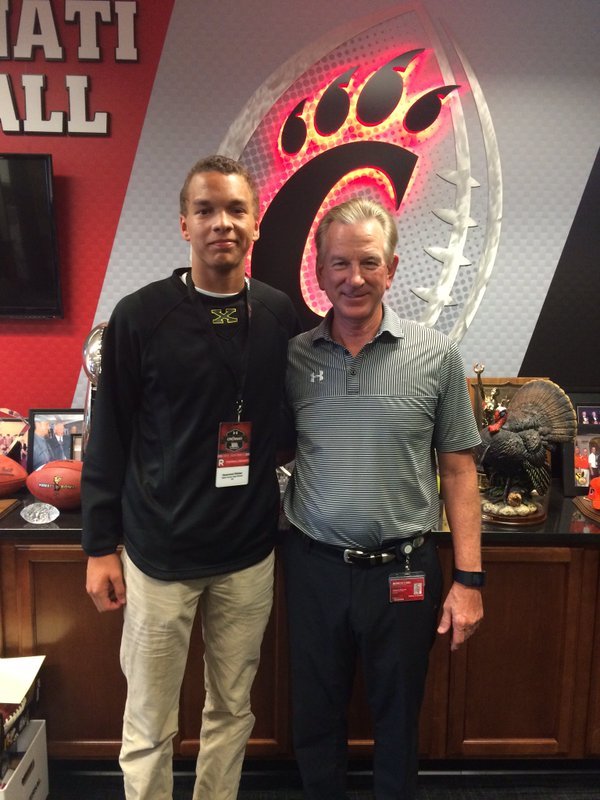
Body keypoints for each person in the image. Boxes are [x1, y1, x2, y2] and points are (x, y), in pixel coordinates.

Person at [81, 155, 299, 800]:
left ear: (255, 225)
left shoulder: (279, 313)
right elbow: (110, 436)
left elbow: (284, 420)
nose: (221, 224)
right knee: (149, 721)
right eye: (206, 210)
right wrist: (98, 546)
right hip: (158, 557)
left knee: (232, 711)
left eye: (235, 210)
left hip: (247, 556)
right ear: (184, 224)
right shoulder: (140, 316)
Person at [282, 198, 484, 800]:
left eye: (369, 262)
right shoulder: (291, 358)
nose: (354, 278)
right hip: (313, 567)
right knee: (315, 720)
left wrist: (470, 581)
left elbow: (458, 471)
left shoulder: (436, 356)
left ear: (393, 268)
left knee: (398, 720)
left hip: (405, 571)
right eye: (339, 263)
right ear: (319, 272)